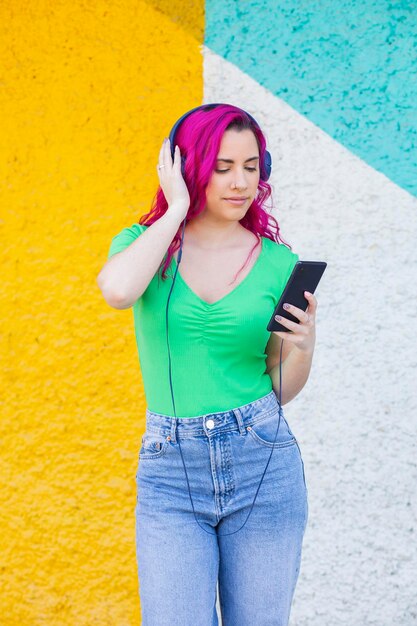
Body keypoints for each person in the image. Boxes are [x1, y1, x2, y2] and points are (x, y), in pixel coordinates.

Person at [97, 103, 317, 626]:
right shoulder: (142, 247)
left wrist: (303, 345)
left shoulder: (281, 264)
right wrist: (175, 209)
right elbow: (119, 291)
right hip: (172, 469)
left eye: (251, 166)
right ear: (184, 165)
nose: (241, 182)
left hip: (262, 459)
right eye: (222, 167)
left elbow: (280, 388)